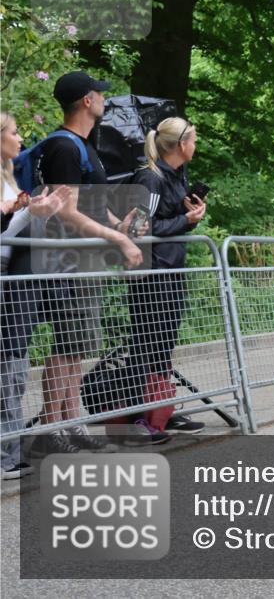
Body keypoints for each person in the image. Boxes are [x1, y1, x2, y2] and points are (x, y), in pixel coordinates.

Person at [30, 71, 144, 457]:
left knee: (77, 345)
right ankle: (52, 430)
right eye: (99, 94)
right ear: (86, 101)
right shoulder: (64, 147)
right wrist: (118, 238)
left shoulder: (81, 145)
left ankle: (72, 423)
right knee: (66, 345)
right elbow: (68, 213)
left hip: (82, 258)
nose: (104, 99)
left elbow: (91, 206)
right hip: (69, 259)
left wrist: (119, 223)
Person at [118, 117, 207, 444]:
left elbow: (169, 222)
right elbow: (139, 230)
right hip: (150, 276)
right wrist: (183, 220)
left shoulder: (176, 176)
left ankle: (160, 410)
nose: (196, 146)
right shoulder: (151, 179)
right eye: (194, 140)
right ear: (181, 145)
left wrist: (189, 219)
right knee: (145, 345)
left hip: (171, 272)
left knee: (163, 346)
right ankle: (134, 421)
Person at [1, 112, 71, 479]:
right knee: (8, 367)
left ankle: (10, 451)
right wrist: (31, 211)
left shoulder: (11, 179)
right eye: (14, 132)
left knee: (14, 367)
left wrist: (35, 210)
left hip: (17, 279)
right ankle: (5, 455)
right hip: (7, 280)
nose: (20, 138)